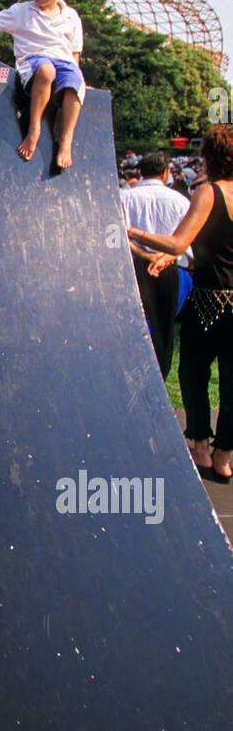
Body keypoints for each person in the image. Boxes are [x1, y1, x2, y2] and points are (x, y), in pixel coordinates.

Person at [127, 125, 233, 484]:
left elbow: (177, 243)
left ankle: (200, 447)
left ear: (210, 156)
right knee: (232, 381)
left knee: (193, 374)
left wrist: (133, 233)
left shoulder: (207, 192)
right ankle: (224, 457)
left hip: (207, 302)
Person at [0, 0, 85, 168]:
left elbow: (74, 52)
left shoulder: (71, 16)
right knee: (46, 71)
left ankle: (66, 139)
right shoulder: (22, 11)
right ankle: (34, 128)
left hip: (63, 61)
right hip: (33, 60)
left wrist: (78, 75)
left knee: (75, 82)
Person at [121, 151, 192, 378]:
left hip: (132, 267)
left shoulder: (124, 197)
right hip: (168, 268)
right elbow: (187, 246)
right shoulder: (181, 201)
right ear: (166, 173)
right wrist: (162, 257)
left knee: (132, 328)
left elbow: (114, 238)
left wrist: (143, 255)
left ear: (141, 172)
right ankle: (160, 376)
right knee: (163, 329)